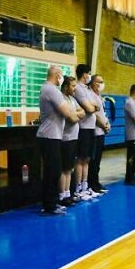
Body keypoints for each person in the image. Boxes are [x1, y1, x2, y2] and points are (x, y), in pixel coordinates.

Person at [36, 66, 78, 214]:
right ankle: (49, 205)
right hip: (49, 136)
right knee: (52, 171)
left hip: (53, 136)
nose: (62, 78)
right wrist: (75, 113)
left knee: (54, 170)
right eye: (61, 75)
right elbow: (68, 113)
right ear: (56, 75)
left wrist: (74, 113)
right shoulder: (51, 90)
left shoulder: (48, 89)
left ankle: (52, 202)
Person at [73, 64, 100, 200]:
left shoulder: (88, 89)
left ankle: (85, 186)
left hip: (91, 128)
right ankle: (77, 188)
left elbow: (97, 106)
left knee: (87, 159)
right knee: (81, 158)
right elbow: (89, 108)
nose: (89, 75)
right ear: (84, 74)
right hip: (82, 128)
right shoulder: (78, 88)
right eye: (89, 73)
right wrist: (92, 107)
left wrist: (93, 107)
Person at [59, 76, 84, 207]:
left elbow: (82, 112)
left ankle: (68, 193)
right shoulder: (62, 99)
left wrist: (75, 114)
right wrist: (75, 115)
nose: (75, 89)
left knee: (70, 168)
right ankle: (62, 195)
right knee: (65, 168)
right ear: (65, 86)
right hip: (66, 139)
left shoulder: (72, 99)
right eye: (73, 86)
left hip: (73, 138)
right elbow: (72, 119)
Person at [88, 75, 110, 194]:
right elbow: (95, 114)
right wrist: (103, 125)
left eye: (102, 81)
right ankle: (92, 183)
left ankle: (96, 182)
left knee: (98, 160)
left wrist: (107, 124)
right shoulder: (90, 95)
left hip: (101, 131)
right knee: (94, 160)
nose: (101, 84)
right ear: (93, 82)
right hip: (95, 131)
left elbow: (103, 113)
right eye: (99, 82)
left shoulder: (99, 96)